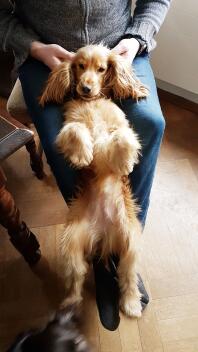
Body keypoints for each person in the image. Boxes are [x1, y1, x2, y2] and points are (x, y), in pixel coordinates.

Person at [0, 0, 171, 331]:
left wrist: (135, 40)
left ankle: (119, 248)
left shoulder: (121, 52)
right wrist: (33, 47)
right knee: (59, 140)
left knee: (150, 123)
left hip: (118, 51)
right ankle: (96, 254)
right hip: (46, 56)